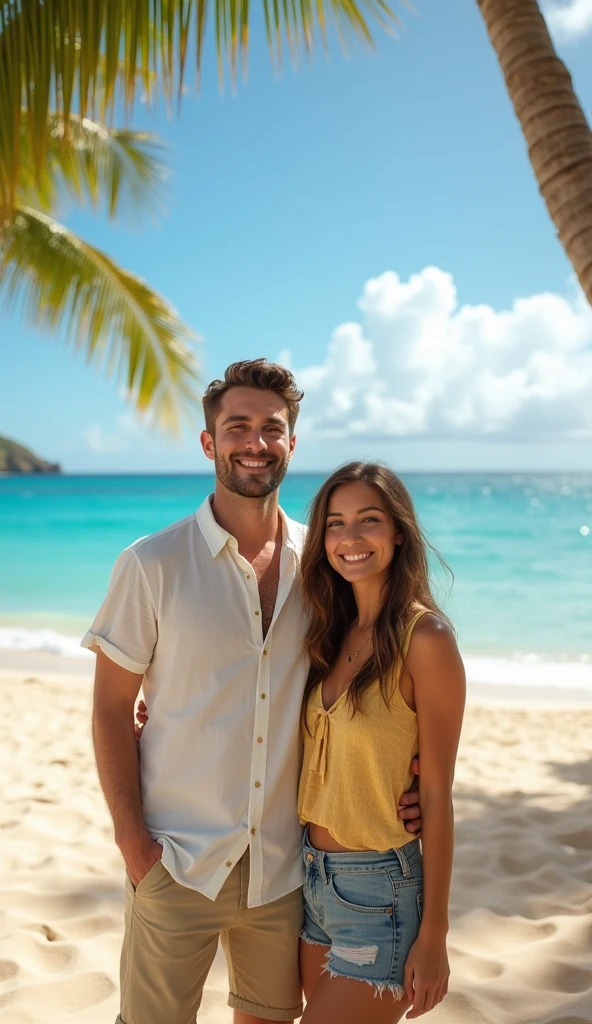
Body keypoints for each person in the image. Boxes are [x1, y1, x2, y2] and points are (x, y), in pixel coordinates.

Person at [82, 359, 422, 1024]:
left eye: (273, 428)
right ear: (209, 442)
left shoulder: (325, 565)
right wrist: (133, 843)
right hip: (175, 861)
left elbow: (365, 675)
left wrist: (407, 775)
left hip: (283, 872)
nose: (255, 442)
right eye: (238, 426)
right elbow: (109, 706)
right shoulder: (152, 563)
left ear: (292, 443)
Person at [296, 462, 466, 1023]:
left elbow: (438, 793)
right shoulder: (326, 630)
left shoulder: (426, 639)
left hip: (381, 893)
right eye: (336, 523)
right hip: (311, 878)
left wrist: (435, 933)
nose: (350, 538)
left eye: (369, 520)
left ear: (399, 531)